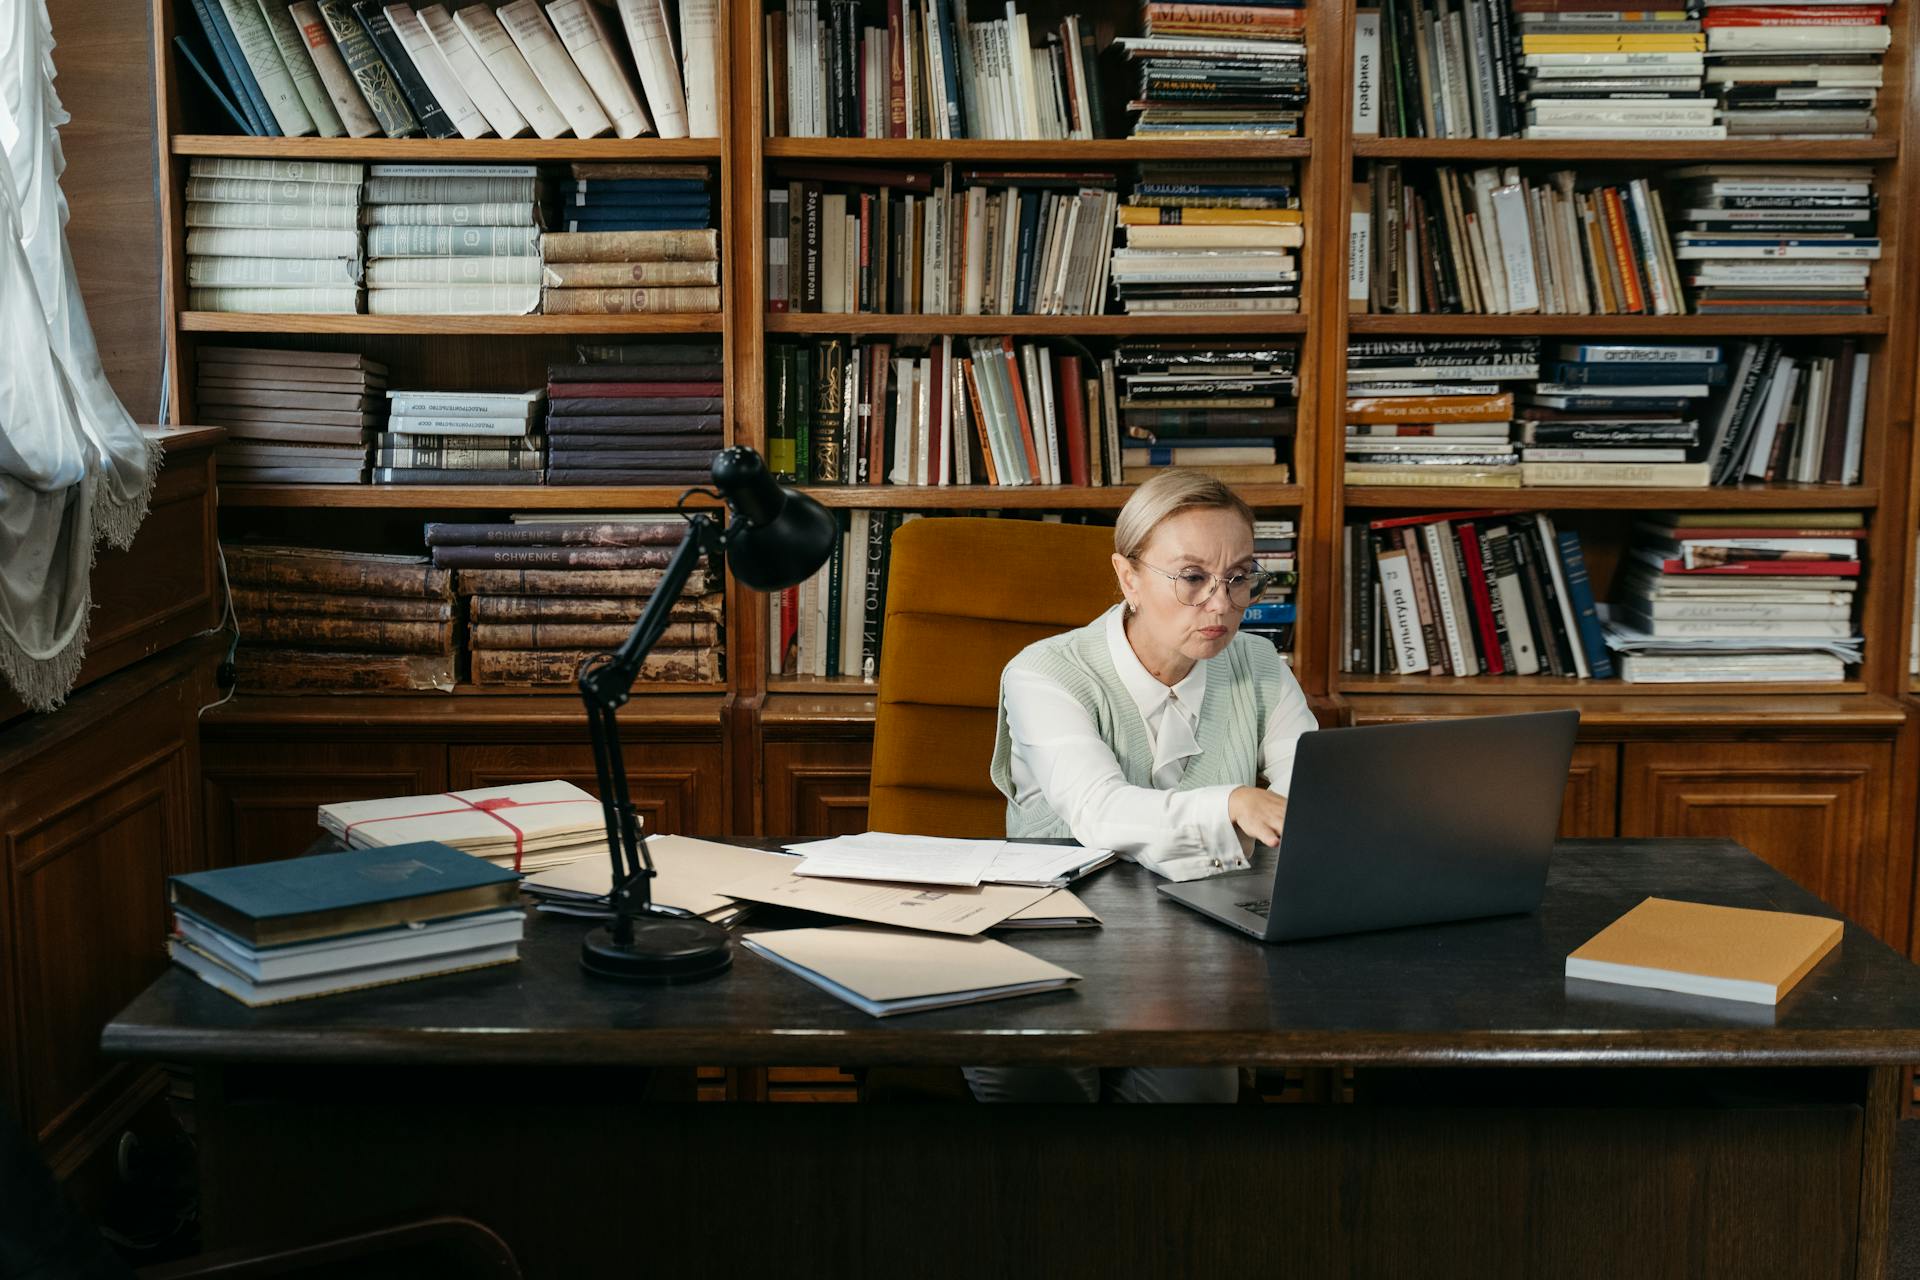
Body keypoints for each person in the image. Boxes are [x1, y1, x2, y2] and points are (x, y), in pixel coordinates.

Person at [965, 469, 1317, 1104]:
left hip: (1193, 944)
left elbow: (1314, 798)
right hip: (1046, 941)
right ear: (1128, 578)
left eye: (1240, 577)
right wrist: (1234, 801)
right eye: (1192, 578)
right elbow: (1099, 811)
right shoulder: (1045, 672)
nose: (1222, 603)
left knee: (1194, 1096)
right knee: (1032, 1091)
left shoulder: (1259, 665)